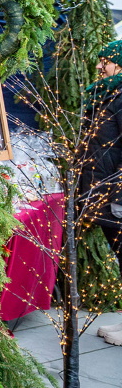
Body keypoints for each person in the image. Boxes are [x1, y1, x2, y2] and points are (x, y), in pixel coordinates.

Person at [80, 40, 122, 345]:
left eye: (105, 61)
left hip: (117, 197)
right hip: (105, 193)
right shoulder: (109, 95)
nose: (99, 66)